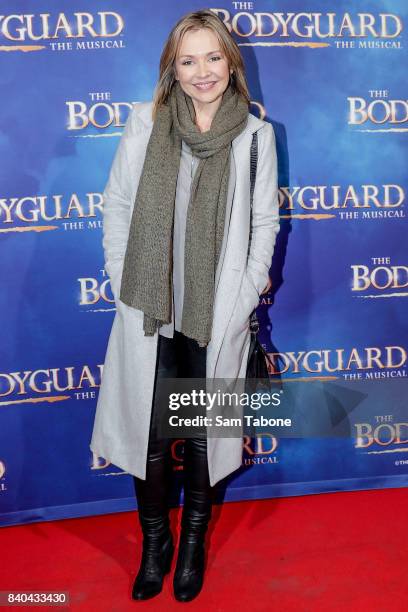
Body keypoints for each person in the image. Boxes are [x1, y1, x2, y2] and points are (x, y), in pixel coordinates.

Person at [90, 8, 280, 603]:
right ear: (172, 68)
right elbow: (118, 205)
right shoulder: (145, 123)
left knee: (202, 434)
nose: (202, 72)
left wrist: (244, 294)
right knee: (148, 435)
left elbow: (265, 223)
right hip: (150, 307)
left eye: (213, 57)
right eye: (188, 59)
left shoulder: (255, 135)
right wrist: (124, 278)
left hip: (214, 310)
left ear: (231, 62)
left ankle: (192, 542)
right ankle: (156, 545)